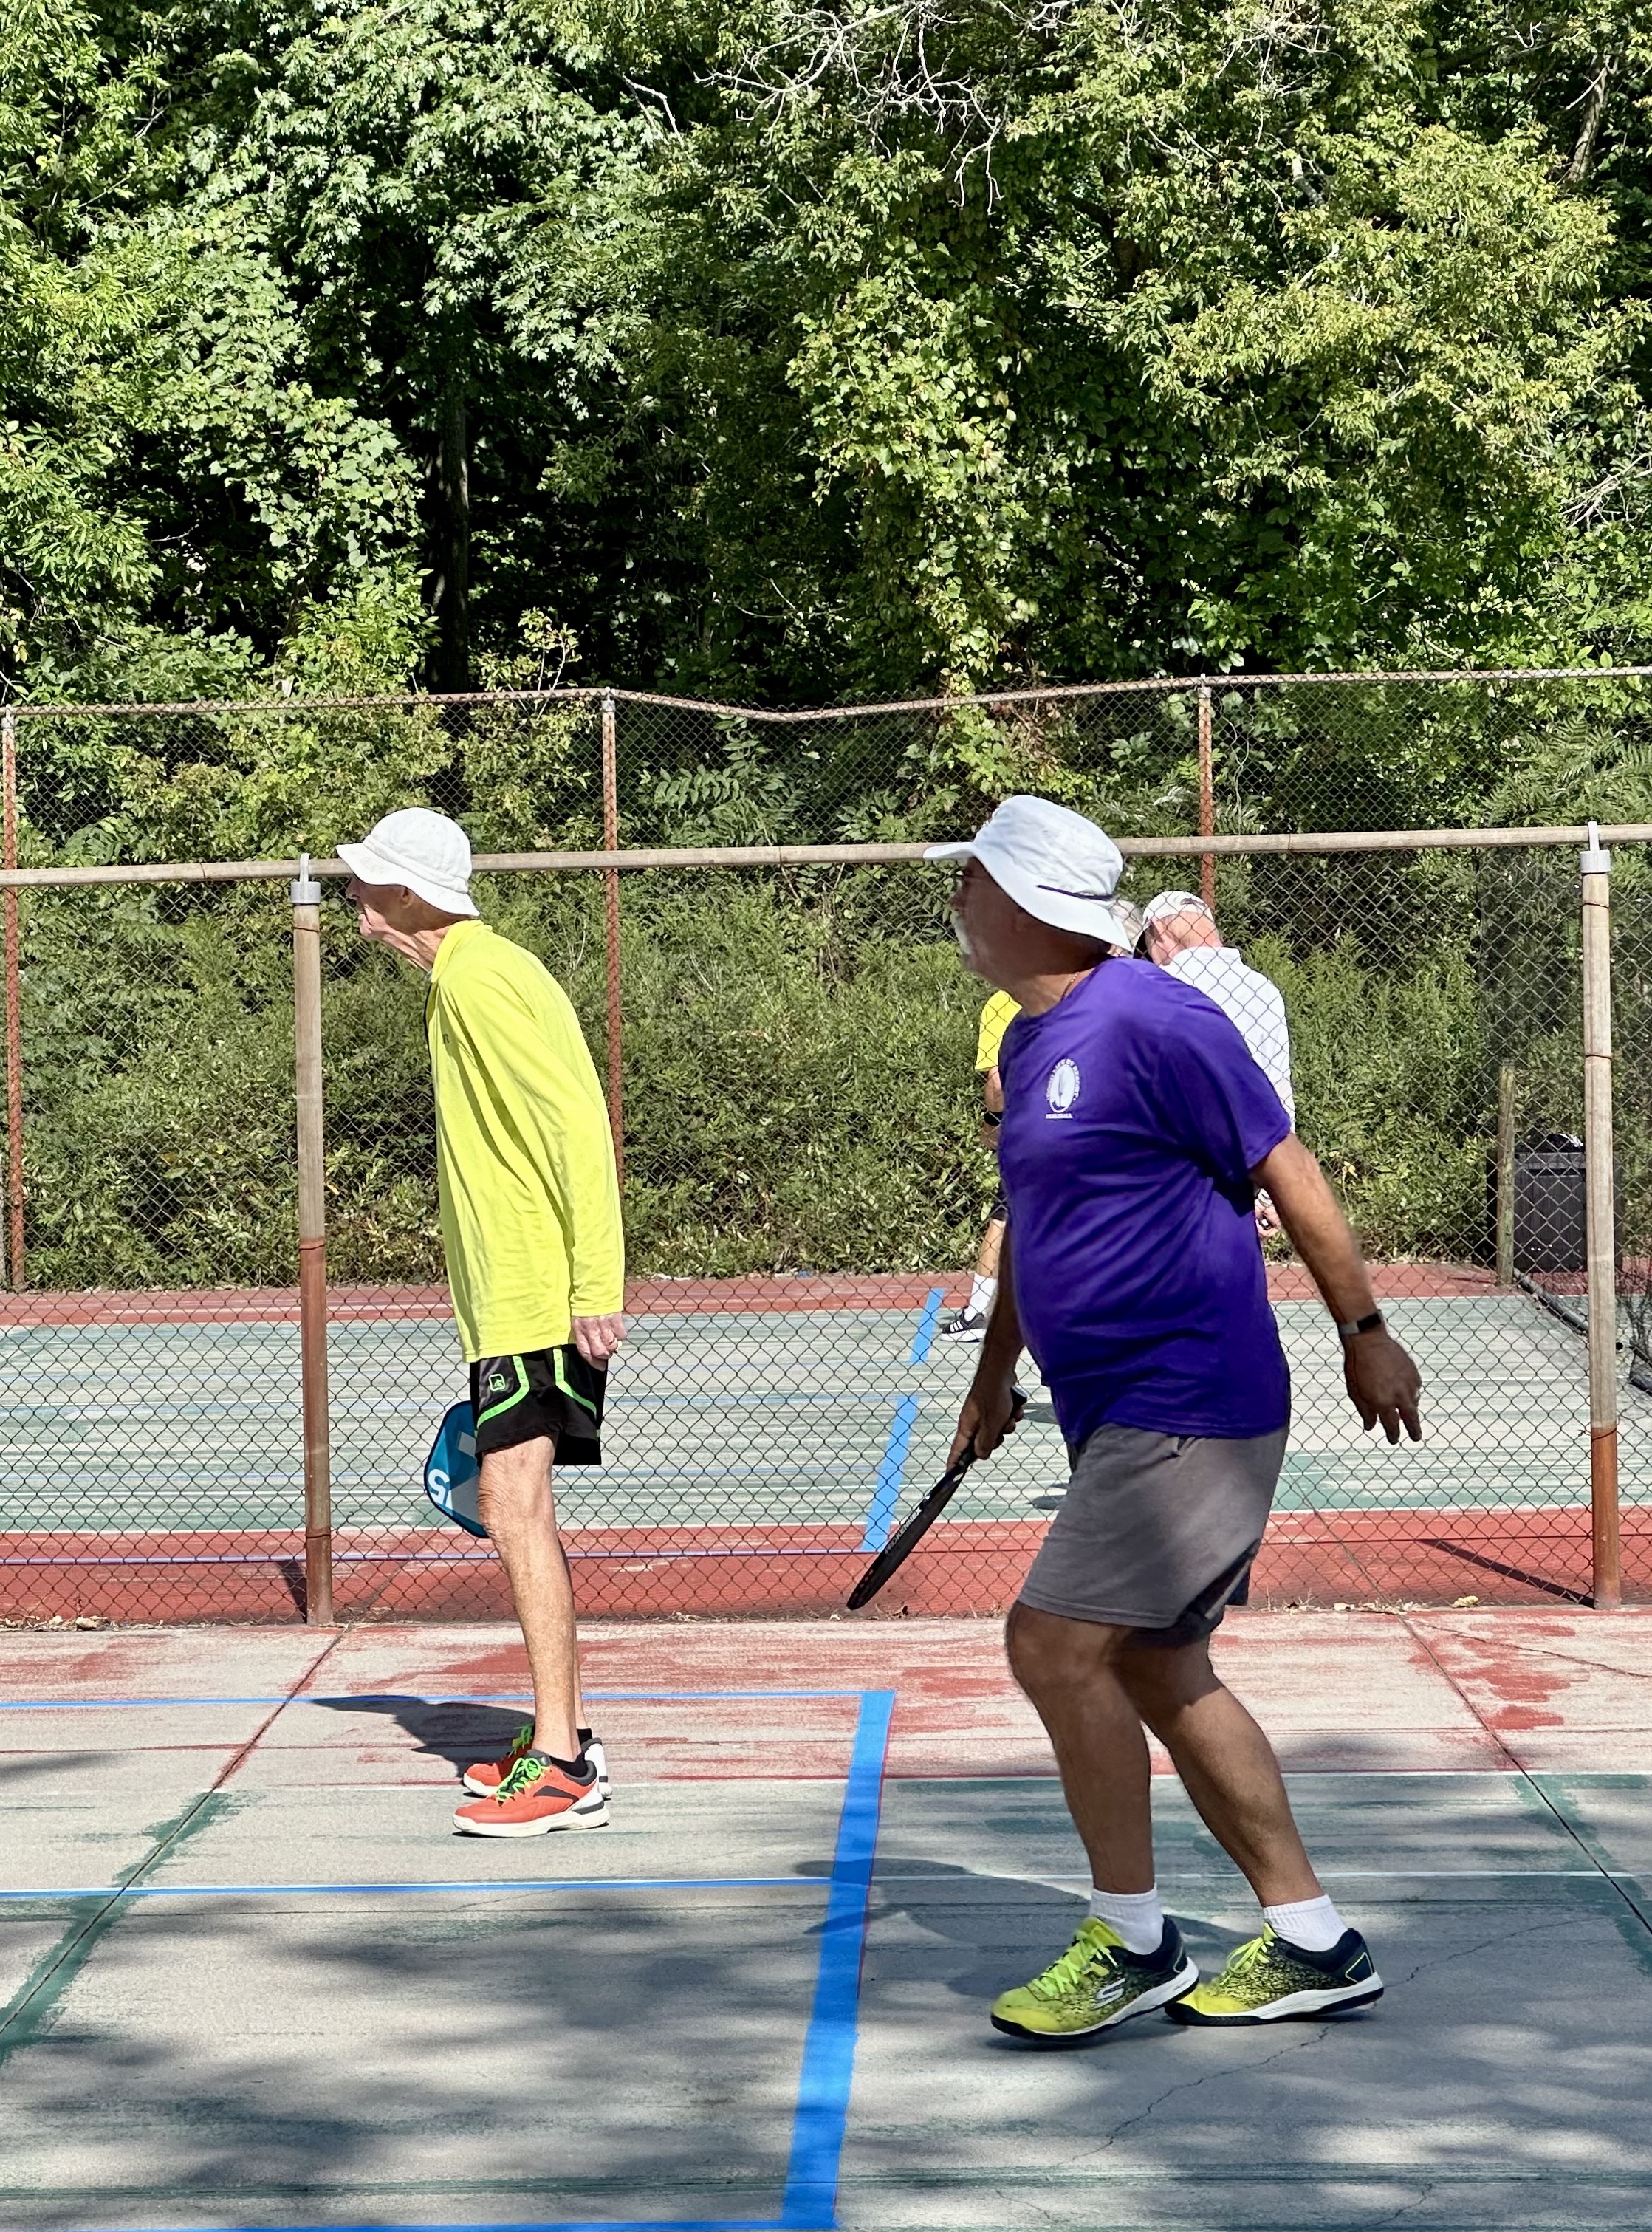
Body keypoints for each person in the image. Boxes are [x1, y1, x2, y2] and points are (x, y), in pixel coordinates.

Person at [927, 795, 1422, 2040]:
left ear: (1032, 904)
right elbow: (1036, 1237)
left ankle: (1133, 1939)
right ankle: (1312, 1939)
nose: (956, 900)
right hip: (1114, 1411)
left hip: (1191, 1400)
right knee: (1156, 1662)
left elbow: (1286, 1166)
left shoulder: (1156, 1017)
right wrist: (993, 1377)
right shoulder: (1033, 1049)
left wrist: (1364, 1332)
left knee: (1050, 1643)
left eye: (971, 881)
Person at [342, 808, 626, 1838]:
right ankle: (568, 1737)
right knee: (519, 1509)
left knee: (514, 1512)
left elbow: (573, 1122)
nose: (359, 905)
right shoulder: (478, 971)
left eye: (371, 885)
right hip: (519, 1296)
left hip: (533, 1299)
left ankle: (560, 1765)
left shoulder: (475, 977)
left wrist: (596, 1281)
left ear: (415, 894)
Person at [941, 902, 1145, 1343]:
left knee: (1015, 1219)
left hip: (1037, 1131)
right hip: (1084, 1131)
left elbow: (997, 1083)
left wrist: (996, 1122)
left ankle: (985, 1312)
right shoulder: (1140, 998)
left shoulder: (1007, 1005)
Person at [1142, 889, 1294, 1122]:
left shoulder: (1157, 986)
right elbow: (1280, 1086)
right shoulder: (1263, 988)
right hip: (1257, 1136)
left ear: (1159, 931)